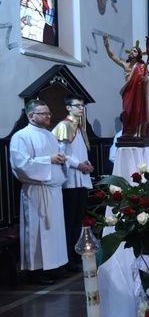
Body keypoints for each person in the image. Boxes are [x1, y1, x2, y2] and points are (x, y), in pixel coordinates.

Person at [10, 100, 69, 285]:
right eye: (44, 114)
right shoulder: (21, 136)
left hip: (53, 190)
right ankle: (36, 271)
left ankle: (54, 266)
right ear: (31, 115)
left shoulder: (50, 136)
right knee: (37, 231)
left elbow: (56, 157)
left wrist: (60, 159)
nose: (48, 117)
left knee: (55, 231)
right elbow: (21, 165)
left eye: (49, 114)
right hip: (36, 191)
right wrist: (49, 160)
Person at [52, 95, 94, 273]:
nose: (81, 108)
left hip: (82, 178)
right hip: (70, 180)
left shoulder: (80, 127)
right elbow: (61, 153)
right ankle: (69, 258)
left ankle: (77, 255)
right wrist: (79, 165)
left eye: (82, 106)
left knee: (79, 220)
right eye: (77, 106)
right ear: (68, 108)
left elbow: (80, 150)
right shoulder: (63, 126)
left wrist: (88, 164)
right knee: (70, 221)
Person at [103, 34, 149, 140]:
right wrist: (107, 46)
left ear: (138, 55)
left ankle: (138, 132)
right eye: (132, 50)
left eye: (135, 51)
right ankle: (129, 131)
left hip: (138, 93)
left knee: (138, 111)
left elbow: (148, 78)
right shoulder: (125, 65)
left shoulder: (142, 67)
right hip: (128, 93)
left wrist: (145, 79)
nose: (132, 52)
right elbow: (112, 56)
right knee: (127, 112)